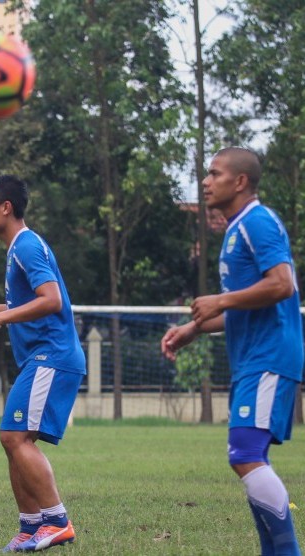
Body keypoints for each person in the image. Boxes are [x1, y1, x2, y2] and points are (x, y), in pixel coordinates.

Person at [161, 147, 302, 555]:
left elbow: (283, 285)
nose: (205, 181)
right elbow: (249, 303)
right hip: (254, 357)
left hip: (270, 354)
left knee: (245, 452)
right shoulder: (236, 228)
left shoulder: (258, 222)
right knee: (246, 453)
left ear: (240, 181)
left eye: (214, 173)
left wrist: (219, 302)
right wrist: (194, 327)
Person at [0, 175, 84, 552]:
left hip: (53, 356)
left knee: (14, 437)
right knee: (13, 439)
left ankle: (57, 522)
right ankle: (30, 527)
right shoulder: (17, 248)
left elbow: (51, 300)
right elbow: (26, 303)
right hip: (40, 358)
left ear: (5, 207)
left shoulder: (26, 246)